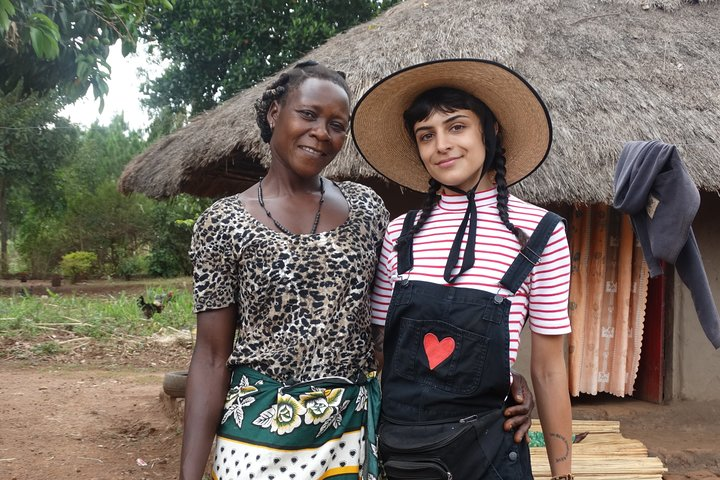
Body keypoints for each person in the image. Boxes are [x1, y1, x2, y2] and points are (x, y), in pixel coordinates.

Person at [180, 60, 536, 480]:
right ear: (275, 112)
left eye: (337, 124)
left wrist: (492, 380)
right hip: (256, 435)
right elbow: (210, 356)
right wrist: (188, 473)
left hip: (352, 429)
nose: (321, 133)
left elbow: (401, 323)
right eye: (308, 114)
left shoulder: (366, 209)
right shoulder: (223, 223)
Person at [352, 59, 574, 480]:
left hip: (490, 453)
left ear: (490, 131)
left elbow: (548, 368)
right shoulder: (400, 233)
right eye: (426, 135)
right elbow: (383, 350)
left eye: (457, 127)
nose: (441, 145)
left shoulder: (542, 232)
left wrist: (563, 474)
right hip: (405, 456)